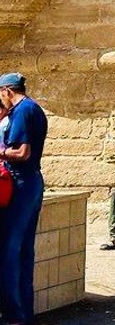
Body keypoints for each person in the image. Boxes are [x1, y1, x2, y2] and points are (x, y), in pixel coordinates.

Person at [0, 72, 48, 325]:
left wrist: (1, 152)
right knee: (22, 251)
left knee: (8, 250)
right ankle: (24, 314)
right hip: (32, 183)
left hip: (20, 183)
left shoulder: (21, 111)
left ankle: (13, 315)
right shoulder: (34, 108)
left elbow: (22, 152)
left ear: (7, 91)